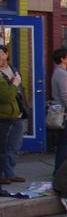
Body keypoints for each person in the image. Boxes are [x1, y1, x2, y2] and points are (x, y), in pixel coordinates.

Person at [0, 44, 27, 184]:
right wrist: (15, 84)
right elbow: (6, 96)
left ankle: (10, 172)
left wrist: (24, 107)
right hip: (4, 115)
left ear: (6, 54)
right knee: (3, 146)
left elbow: (20, 92)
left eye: (1, 53)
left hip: (18, 113)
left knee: (14, 146)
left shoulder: (13, 69)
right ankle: (2, 174)